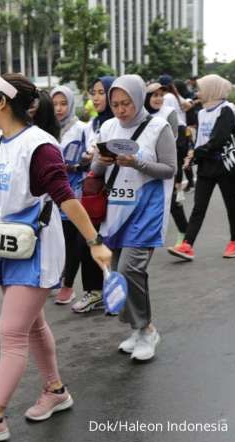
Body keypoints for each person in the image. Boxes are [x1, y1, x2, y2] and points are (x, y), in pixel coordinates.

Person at [0, 74, 111, 442]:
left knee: (12, 332)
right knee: (32, 325)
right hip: (7, 246)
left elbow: (67, 197)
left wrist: (94, 241)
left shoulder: (40, 145)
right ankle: (55, 391)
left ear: (3, 102)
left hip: (36, 249)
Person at [93, 74, 177, 361]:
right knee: (118, 274)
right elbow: (96, 169)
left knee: (131, 270)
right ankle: (137, 329)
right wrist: (101, 161)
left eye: (126, 103)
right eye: (115, 104)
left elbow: (169, 169)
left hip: (147, 210)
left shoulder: (158, 127)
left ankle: (148, 329)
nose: (120, 110)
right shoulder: (108, 126)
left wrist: (137, 162)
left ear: (138, 99)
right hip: (115, 211)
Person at [168, 74, 235, 260]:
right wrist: (192, 156)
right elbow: (202, 138)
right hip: (207, 166)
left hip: (226, 165)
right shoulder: (201, 112)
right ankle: (187, 245)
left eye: (201, 88)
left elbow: (219, 139)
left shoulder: (227, 109)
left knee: (231, 204)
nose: (198, 92)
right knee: (199, 207)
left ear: (212, 89)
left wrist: (197, 153)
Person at [50, 85, 103, 308]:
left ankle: (69, 285)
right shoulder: (49, 129)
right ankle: (61, 277)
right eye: (55, 104)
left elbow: (91, 156)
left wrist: (76, 163)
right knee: (59, 239)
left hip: (77, 192)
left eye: (63, 103)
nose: (59, 108)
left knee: (74, 240)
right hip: (54, 193)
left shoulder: (83, 128)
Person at [69, 76, 116, 313]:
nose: (96, 97)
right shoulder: (94, 124)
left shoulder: (118, 123)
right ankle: (95, 291)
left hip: (114, 193)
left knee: (106, 242)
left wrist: (96, 159)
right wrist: (87, 159)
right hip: (94, 192)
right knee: (85, 240)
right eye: (94, 92)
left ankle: (112, 291)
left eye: (101, 92)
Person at [145, 83, 188, 245]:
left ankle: (185, 234)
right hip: (144, 166)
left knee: (171, 202)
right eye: (154, 95)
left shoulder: (169, 113)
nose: (158, 99)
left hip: (166, 164)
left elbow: (174, 141)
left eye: (161, 95)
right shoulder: (140, 114)